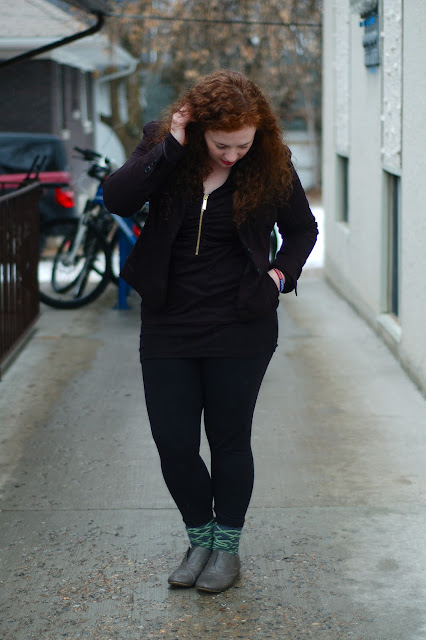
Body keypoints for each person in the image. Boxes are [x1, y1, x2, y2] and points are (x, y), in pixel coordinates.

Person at [103, 69, 318, 594]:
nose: (233, 155)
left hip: (241, 323)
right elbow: (118, 198)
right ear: (197, 128)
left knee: (228, 439)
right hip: (169, 321)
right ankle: (199, 536)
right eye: (223, 145)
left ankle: (226, 548)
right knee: (174, 443)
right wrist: (171, 148)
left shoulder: (270, 158)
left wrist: (277, 278)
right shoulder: (164, 145)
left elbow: (302, 230)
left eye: (243, 144)